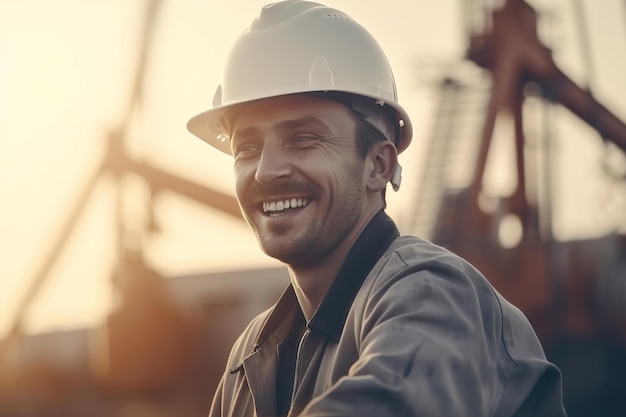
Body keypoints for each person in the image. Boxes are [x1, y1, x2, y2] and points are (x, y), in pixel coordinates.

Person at [186, 1, 567, 416]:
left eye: (303, 139)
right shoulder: (249, 358)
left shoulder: (431, 293)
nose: (266, 171)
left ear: (378, 165)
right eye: (248, 148)